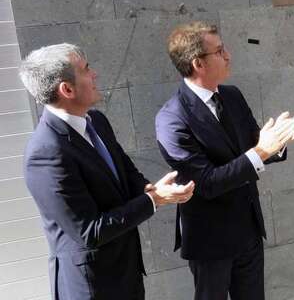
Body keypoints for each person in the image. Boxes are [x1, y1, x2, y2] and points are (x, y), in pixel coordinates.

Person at [19, 43, 195, 300]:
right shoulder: (45, 152)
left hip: (126, 273)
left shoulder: (97, 121)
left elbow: (124, 170)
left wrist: (151, 189)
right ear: (67, 89)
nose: (94, 75)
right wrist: (153, 200)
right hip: (92, 286)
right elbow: (89, 231)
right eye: (86, 69)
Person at [155, 22, 294, 300]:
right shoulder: (172, 119)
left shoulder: (231, 95)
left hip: (247, 229)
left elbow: (254, 144)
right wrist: (262, 151)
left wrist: (277, 144)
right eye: (220, 51)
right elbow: (208, 182)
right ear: (198, 63)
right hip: (210, 241)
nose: (229, 55)